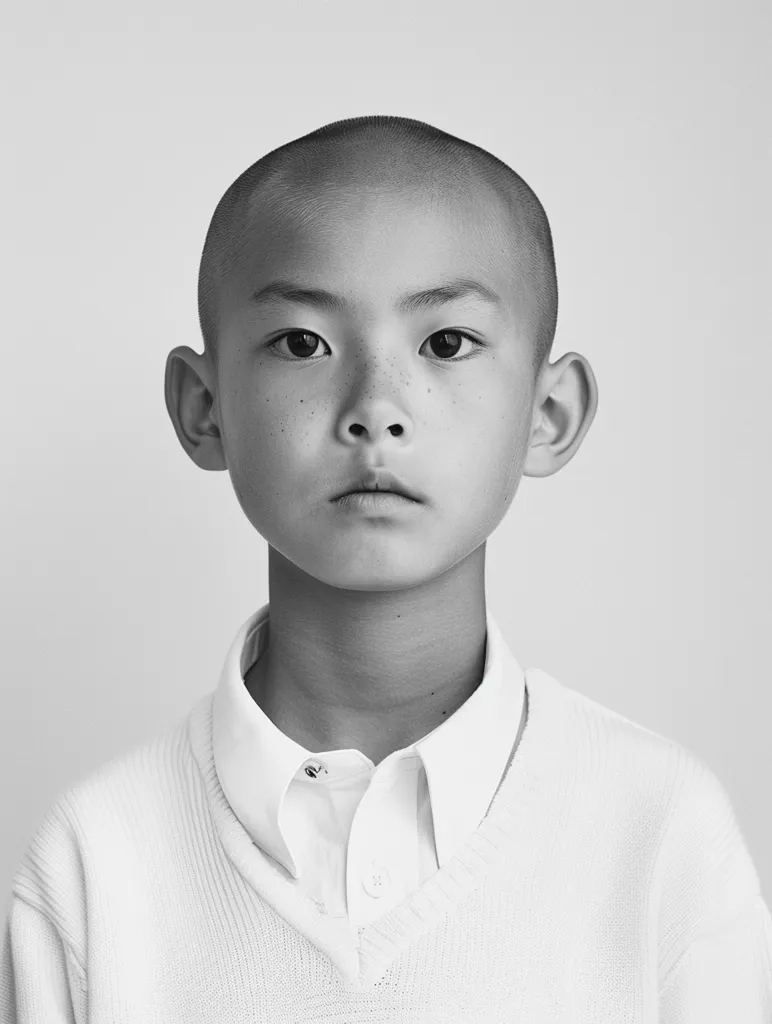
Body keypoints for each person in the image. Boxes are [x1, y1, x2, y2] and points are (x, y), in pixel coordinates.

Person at [1, 115, 770, 1022]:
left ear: (549, 413)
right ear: (205, 408)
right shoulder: (94, 864)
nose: (376, 408)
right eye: (302, 343)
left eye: (445, 343)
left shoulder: (660, 833)